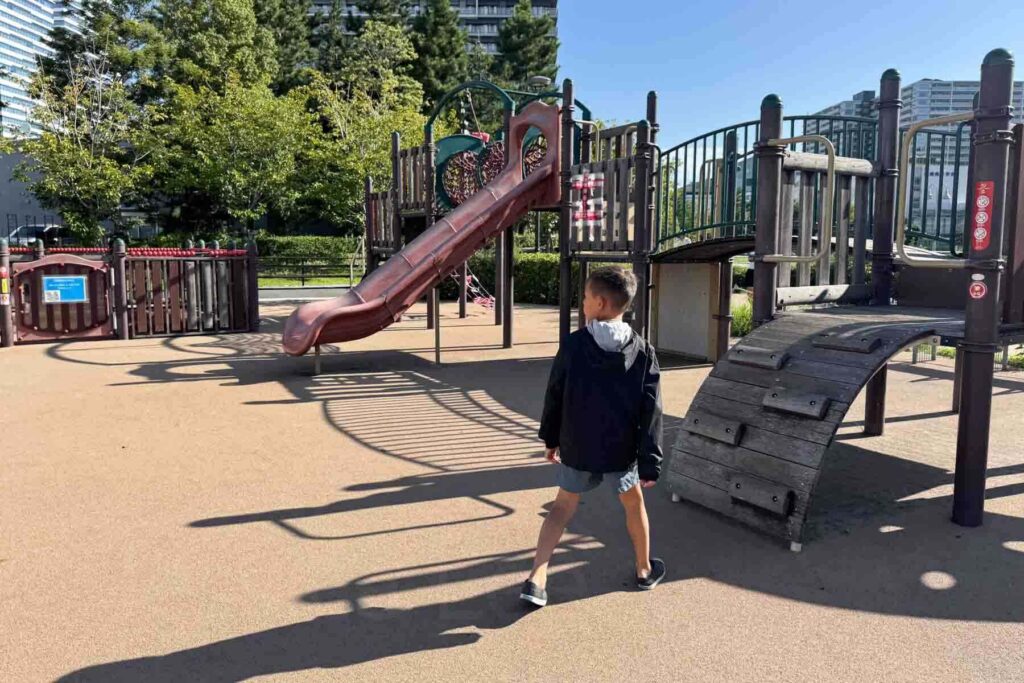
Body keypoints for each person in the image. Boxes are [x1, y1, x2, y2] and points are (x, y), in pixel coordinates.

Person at [520, 265, 664, 608]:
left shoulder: (573, 346)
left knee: (561, 508)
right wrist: (650, 463)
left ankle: (537, 578)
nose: (582, 303)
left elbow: (555, 394)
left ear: (599, 303)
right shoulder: (643, 352)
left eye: (585, 298)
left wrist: (550, 438)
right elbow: (652, 410)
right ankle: (644, 569)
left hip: (579, 445)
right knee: (634, 506)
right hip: (621, 450)